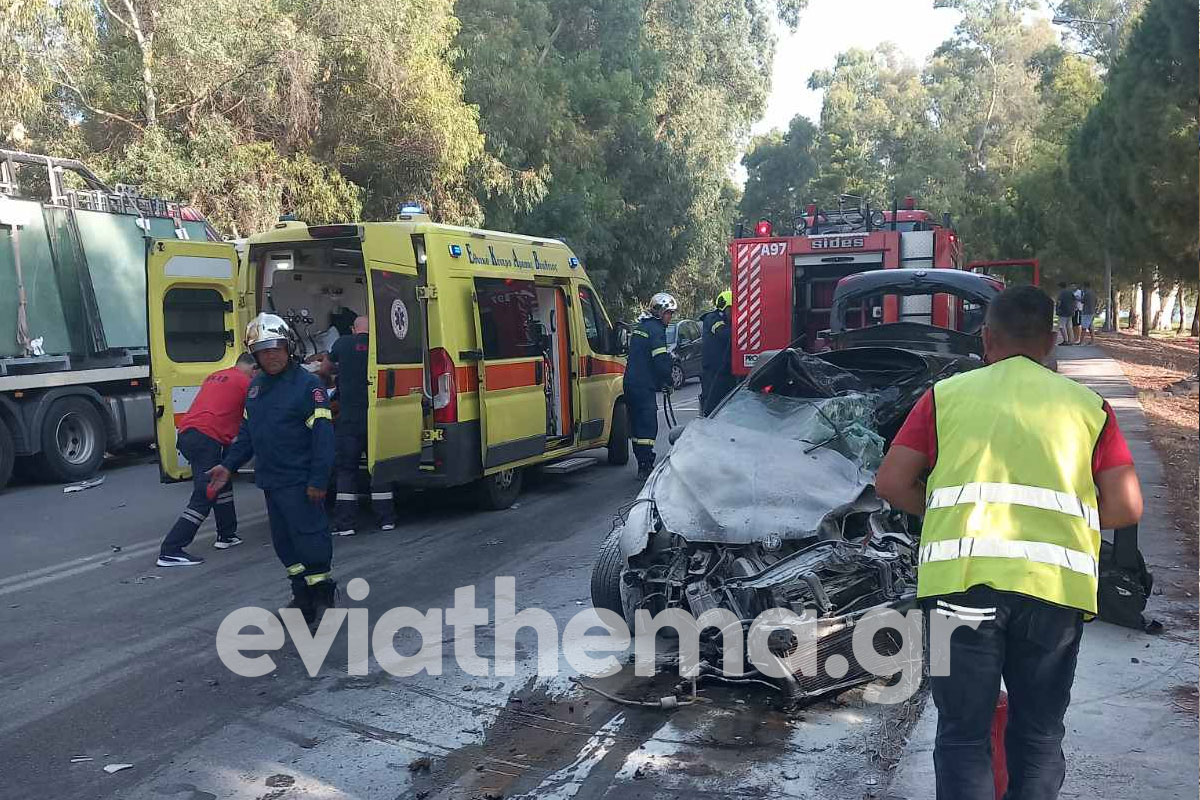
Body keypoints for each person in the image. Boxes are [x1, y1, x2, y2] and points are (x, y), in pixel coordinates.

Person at [875, 285, 1144, 800]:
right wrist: (1071, 520)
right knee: (1039, 734)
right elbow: (1127, 507)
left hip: (961, 590)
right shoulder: (1089, 408)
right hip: (1053, 594)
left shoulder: (946, 397)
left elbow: (891, 481)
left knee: (962, 736)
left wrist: (942, 512)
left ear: (985, 338)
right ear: (1051, 342)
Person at [207, 313, 338, 626]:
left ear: (288, 347)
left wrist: (318, 480)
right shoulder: (256, 389)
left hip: (302, 482)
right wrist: (227, 466)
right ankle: (301, 597)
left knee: (310, 540)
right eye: (263, 351)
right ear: (255, 356)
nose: (271, 355)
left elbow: (323, 438)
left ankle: (322, 597)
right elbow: (248, 434)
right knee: (285, 543)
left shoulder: (308, 386)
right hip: (273, 482)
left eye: (276, 348)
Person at [156, 353, 257, 567]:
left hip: (188, 434)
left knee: (222, 478)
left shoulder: (217, 375)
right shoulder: (246, 382)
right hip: (206, 437)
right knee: (206, 492)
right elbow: (258, 414)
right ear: (253, 368)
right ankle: (171, 549)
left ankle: (227, 534)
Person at [329, 315, 395, 536]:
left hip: (350, 419)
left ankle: (346, 524)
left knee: (346, 471)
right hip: (376, 417)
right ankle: (386, 519)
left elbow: (326, 369)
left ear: (353, 328)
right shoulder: (383, 346)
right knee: (379, 469)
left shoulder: (343, 343)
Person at [624, 292, 677, 480]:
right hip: (643, 386)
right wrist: (668, 380)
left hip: (630, 384)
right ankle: (646, 465)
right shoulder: (656, 330)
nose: (670, 317)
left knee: (637, 427)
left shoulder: (641, 327)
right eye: (669, 313)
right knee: (648, 426)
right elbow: (660, 361)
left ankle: (642, 463)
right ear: (660, 312)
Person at [699, 289, 735, 416]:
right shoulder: (712, 318)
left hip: (725, 371)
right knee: (711, 406)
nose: (733, 313)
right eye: (731, 309)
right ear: (723, 308)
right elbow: (724, 333)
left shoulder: (727, 321)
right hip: (712, 372)